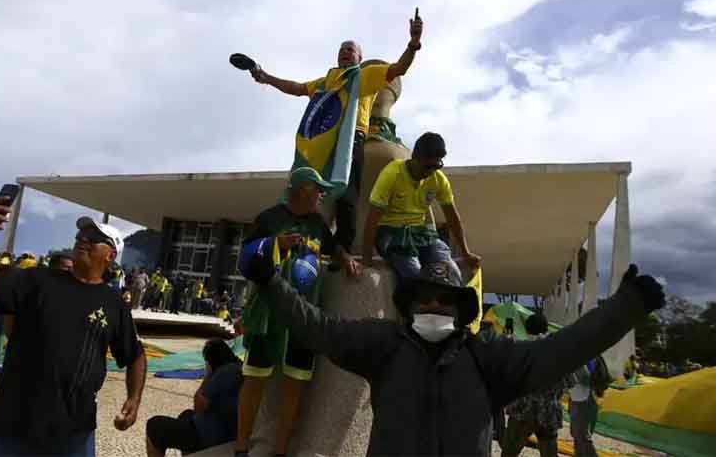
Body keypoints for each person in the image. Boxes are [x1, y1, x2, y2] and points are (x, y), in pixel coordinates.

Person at [241, 242, 664, 456]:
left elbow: (562, 351)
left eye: (444, 299)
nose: (433, 305)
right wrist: (270, 283)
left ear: (461, 310)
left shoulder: (488, 358)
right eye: (424, 298)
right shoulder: (383, 345)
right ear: (408, 306)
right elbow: (320, 329)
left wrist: (626, 308)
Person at [0, 198, 147, 457]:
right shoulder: (36, 280)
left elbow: (135, 355)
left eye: (93, 237)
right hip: (12, 424)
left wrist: (134, 399)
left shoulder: (114, 304)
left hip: (73, 433)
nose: (83, 239)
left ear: (110, 255)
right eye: (81, 234)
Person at [249, 9, 424, 252]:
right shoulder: (326, 82)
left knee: (346, 195)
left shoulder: (364, 76)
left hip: (350, 141)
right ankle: (302, 238)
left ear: (359, 58)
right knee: (311, 192)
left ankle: (341, 248)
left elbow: (399, 69)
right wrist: (267, 78)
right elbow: (298, 88)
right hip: (321, 143)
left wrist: (414, 43)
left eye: (350, 50)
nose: (344, 52)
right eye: (342, 49)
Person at [235, 167, 361, 457]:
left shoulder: (317, 223)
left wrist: (344, 258)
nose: (321, 195)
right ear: (304, 189)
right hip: (269, 314)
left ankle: (280, 451)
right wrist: (275, 244)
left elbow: (332, 247)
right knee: (254, 380)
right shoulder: (268, 218)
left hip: (304, 317)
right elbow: (244, 258)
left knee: (296, 386)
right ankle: (241, 447)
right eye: (319, 190)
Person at [363, 132, 480, 283]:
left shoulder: (438, 179)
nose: (432, 171)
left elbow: (452, 217)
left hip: (420, 233)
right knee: (417, 278)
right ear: (415, 157)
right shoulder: (392, 174)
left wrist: (466, 253)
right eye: (428, 166)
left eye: (437, 166)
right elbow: (372, 218)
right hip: (391, 234)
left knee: (450, 272)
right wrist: (366, 259)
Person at [146, 338, 243, 456]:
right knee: (186, 414)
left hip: (209, 436)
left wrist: (208, 375)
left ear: (211, 360)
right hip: (228, 431)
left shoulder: (223, 372)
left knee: (154, 425)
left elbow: (199, 405)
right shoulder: (238, 367)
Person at [501, 314, 574, 457]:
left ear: (527, 329)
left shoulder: (522, 349)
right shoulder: (560, 353)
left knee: (509, 453)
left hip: (522, 410)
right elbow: (571, 382)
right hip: (548, 412)